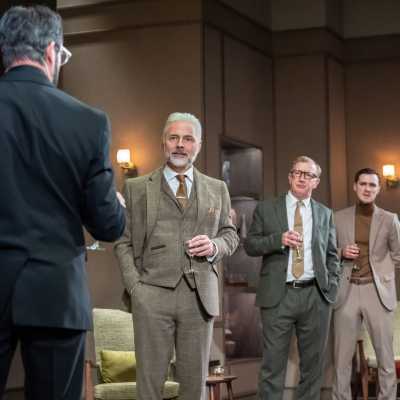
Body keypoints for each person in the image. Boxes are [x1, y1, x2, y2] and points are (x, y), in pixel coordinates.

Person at [0, 6, 125, 399]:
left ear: (6, 50)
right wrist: (116, 203)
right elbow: (108, 224)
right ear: (52, 52)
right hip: (56, 292)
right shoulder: (88, 122)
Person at [114, 112, 239, 400]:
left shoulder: (217, 188)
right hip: (151, 294)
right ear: (163, 143)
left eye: (188, 138)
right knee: (149, 384)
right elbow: (122, 241)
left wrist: (215, 246)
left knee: (194, 386)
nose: (180, 144)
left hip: (199, 297)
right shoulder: (136, 187)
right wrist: (135, 287)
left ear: (198, 144)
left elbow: (230, 235)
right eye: (173, 138)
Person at [244, 155, 340, 400]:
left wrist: (331, 288)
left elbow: (331, 254)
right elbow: (251, 245)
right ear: (289, 177)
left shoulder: (325, 213)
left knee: (312, 368)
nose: (301, 178)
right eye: (296, 172)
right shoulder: (267, 208)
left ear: (316, 182)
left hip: (315, 296)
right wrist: (279, 239)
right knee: (272, 367)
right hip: (278, 295)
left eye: (307, 174)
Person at [332, 168, 400, 400]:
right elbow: (327, 253)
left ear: (378, 189)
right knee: (341, 360)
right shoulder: (337, 217)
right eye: (363, 184)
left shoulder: (390, 219)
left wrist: (385, 276)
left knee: (385, 358)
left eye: (372, 185)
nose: (367, 189)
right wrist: (341, 252)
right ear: (355, 186)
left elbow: (398, 255)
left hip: (377, 291)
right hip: (346, 290)